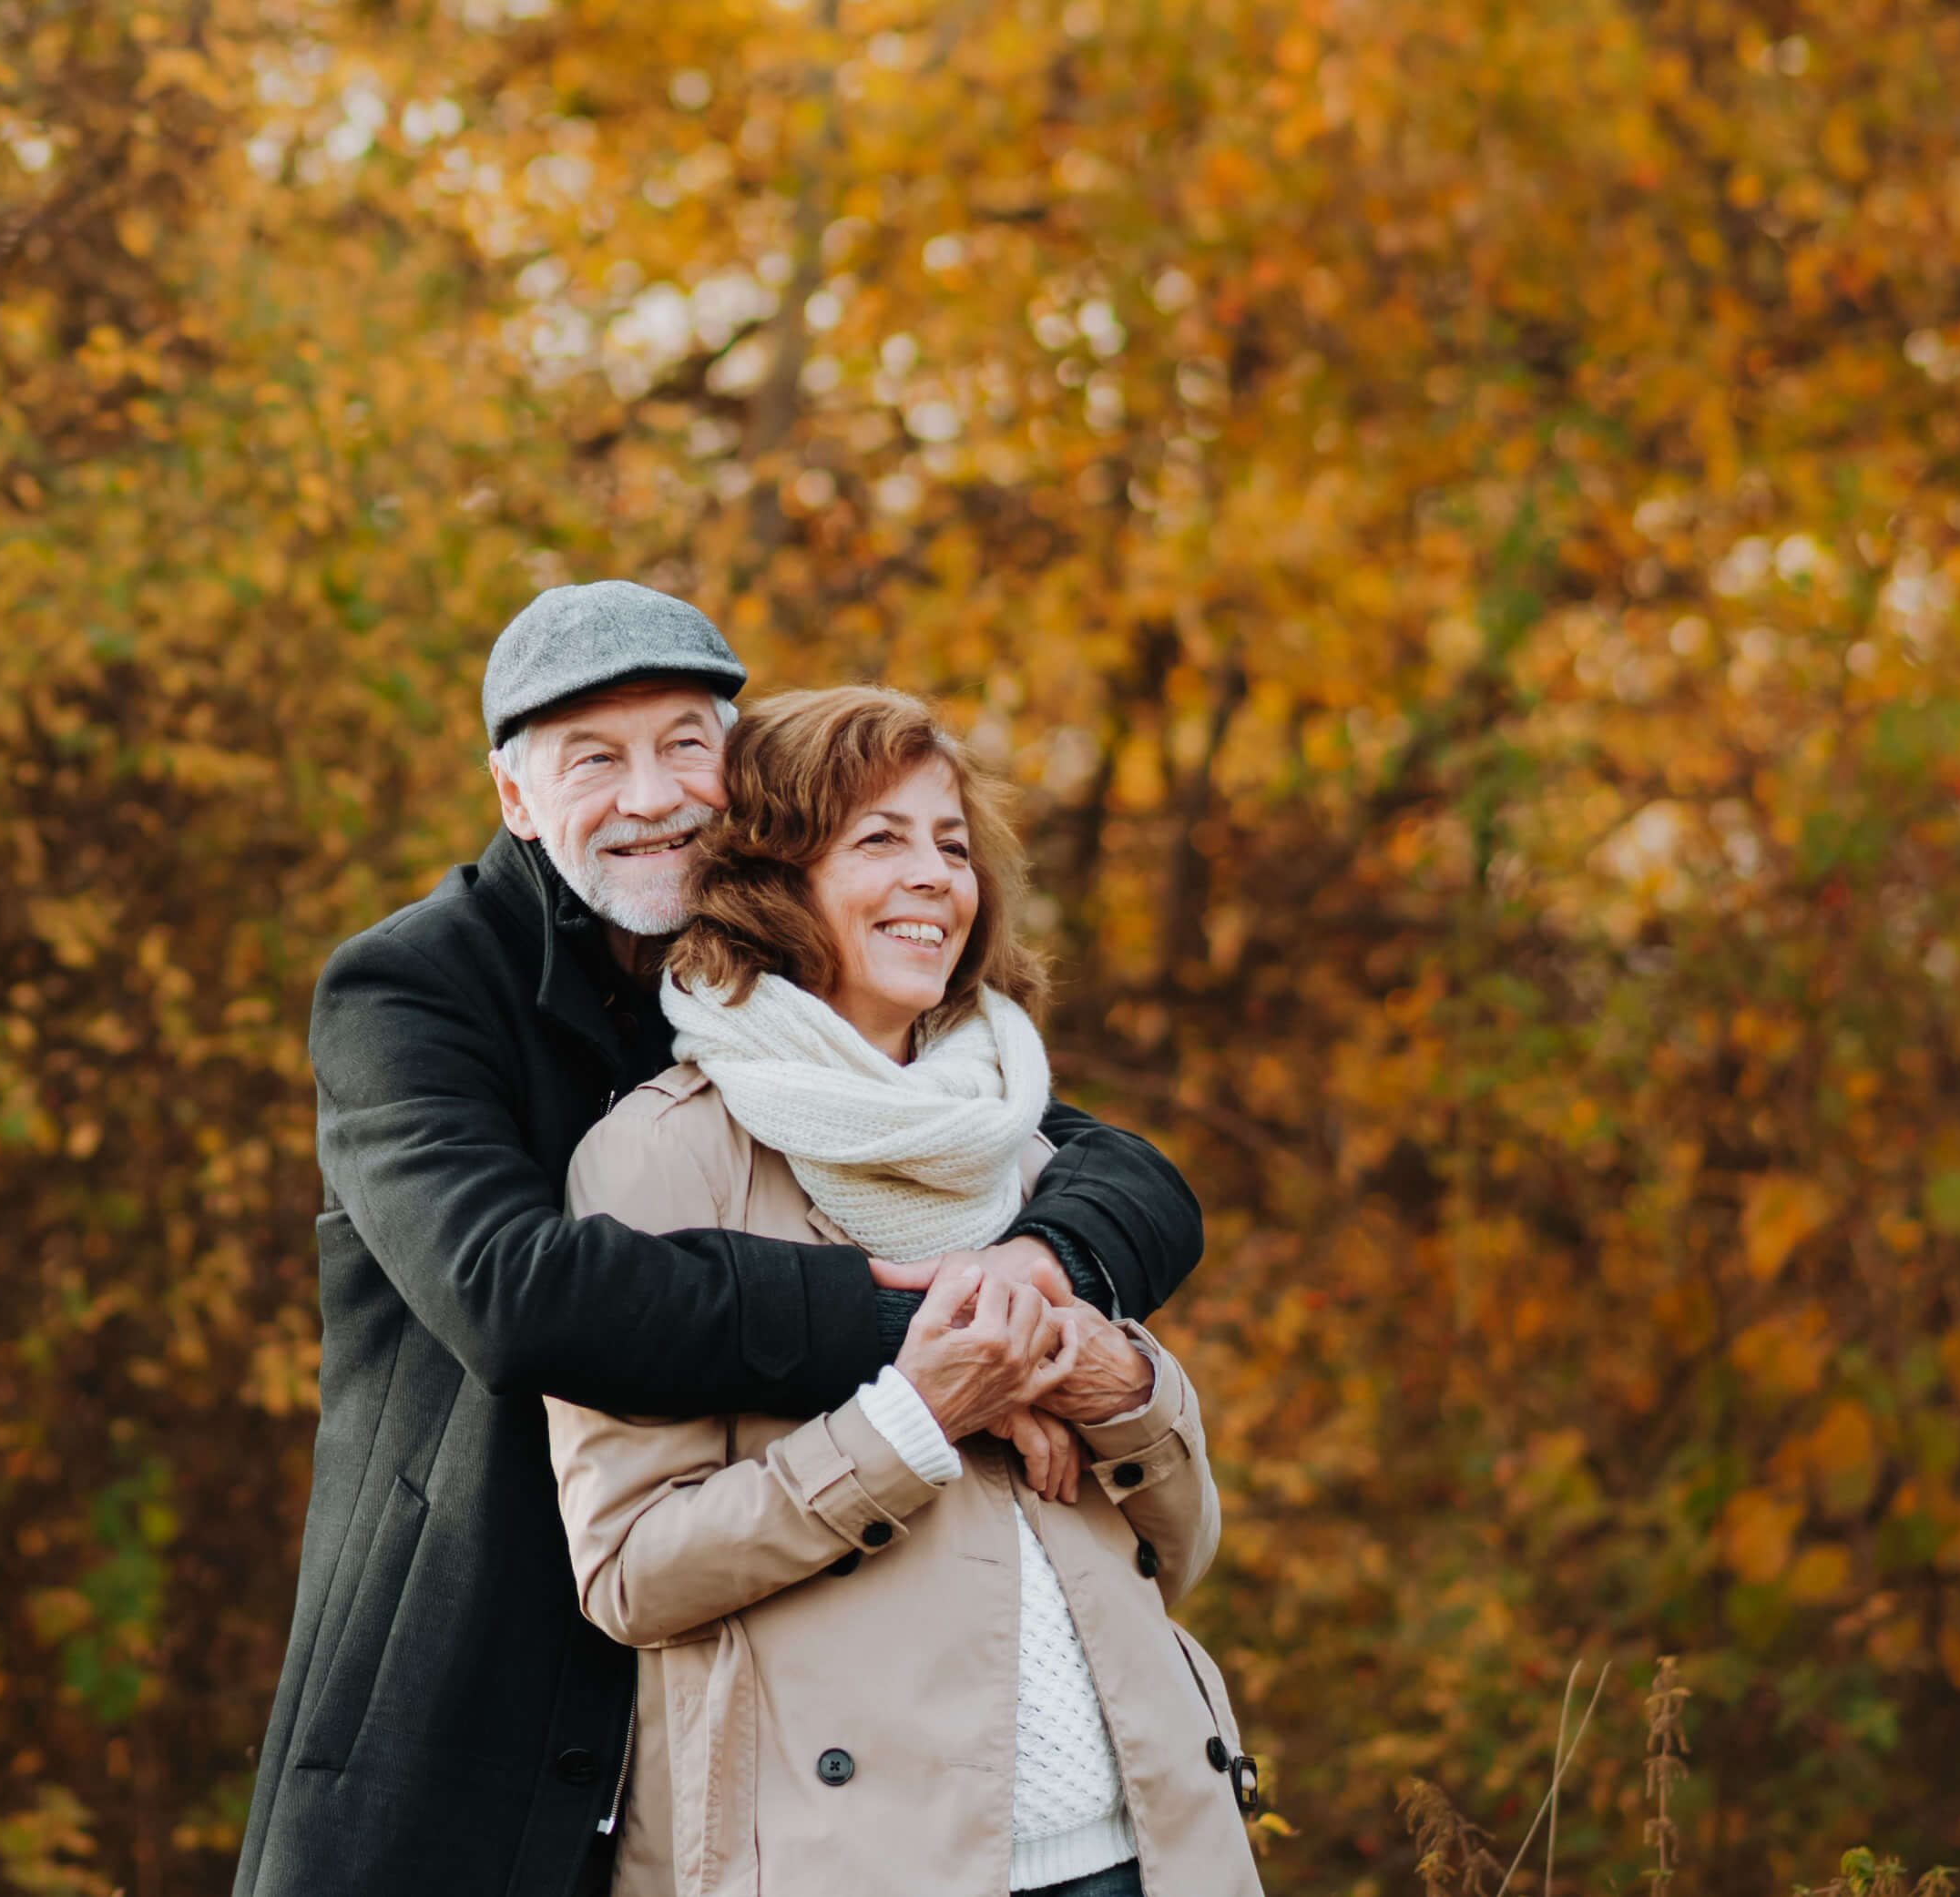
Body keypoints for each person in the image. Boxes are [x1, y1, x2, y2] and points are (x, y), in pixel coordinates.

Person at [230, 584, 1209, 1897]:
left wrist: (1034, 1290)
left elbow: (1099, 1166)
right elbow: (512, 1295)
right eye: (593, 758)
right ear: (515, 799)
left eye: (685, 745)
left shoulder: (780, 1000)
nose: (649, 796)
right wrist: (920, 1349)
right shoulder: (413, 988)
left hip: (753, 1674)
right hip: (482, 1661)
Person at [547, 684, 1261, 1897]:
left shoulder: (1014, 1139)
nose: (936, 874)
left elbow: (1179, 1546)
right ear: (775, 882)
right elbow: (630, 1571)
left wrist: (1116, 1384)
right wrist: (910, 1422)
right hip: (852, 1861)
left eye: (950, 842)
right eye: (878, 839)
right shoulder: (664, 1157)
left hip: (1145, 1844)